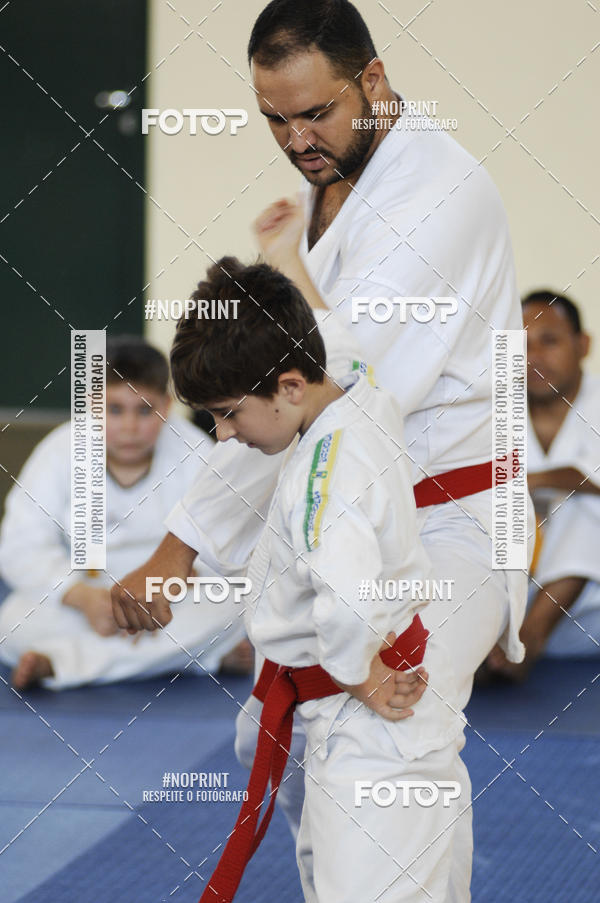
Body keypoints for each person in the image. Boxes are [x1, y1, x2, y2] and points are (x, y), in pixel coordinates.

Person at [112, 2, 534, 895]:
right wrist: (177, 550)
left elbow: (328, 380)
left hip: (450, 520)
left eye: (316, 112)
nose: (296, 137)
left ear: (372, 80)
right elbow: (281, 400)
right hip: (338, 501)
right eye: (274, 117)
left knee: (386, 730)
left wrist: (180, 545)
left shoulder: (440, 193)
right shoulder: (336, 177)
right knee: (309, 736)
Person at [170, 256, 467, 903]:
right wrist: (274, 266)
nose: (225, 435)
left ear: (292, 385)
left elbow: (352, 601)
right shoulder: (357, 387)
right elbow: (339, 332)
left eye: (228, 413)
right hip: (350, 705)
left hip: (367, 710)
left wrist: (357, 671)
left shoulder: (323, 478)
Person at [0, 336, 250, 690]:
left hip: (167, 594)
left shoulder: (196, 451)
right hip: (87, 587)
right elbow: (19, 547)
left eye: (144, 410)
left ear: (165, 407)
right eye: (114, 410)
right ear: (91, 405)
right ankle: (201, 659)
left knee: (231, 610)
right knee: (11, 625)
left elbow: (228, 546)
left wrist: (168, 588)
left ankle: (62, 664)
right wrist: (82, 597)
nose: (130, 427)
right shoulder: (59, 450)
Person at [485, 291, 600, 682]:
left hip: (591, 611)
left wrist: (535, 481)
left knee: (579, 504)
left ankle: (527, 640)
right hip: (511, 604)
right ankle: (494, 642)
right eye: (521, 345)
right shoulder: (489, 413)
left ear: (582, 345)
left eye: (549, 341)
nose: (532, 357)